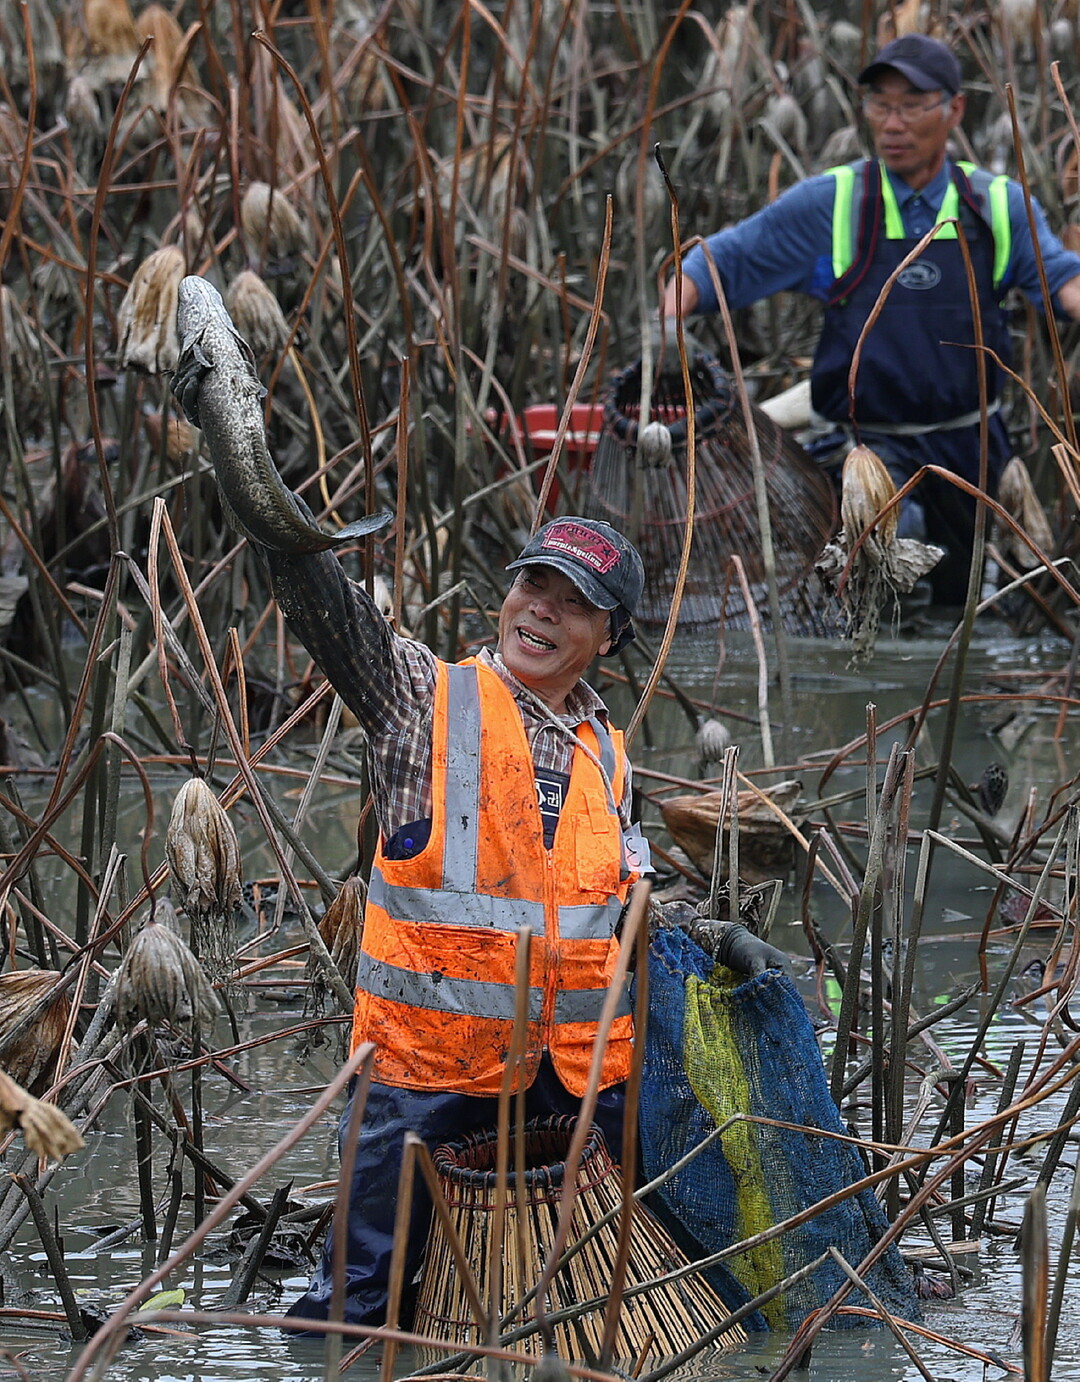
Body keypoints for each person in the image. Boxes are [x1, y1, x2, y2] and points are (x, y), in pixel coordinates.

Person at [662, 33, 1080, 603]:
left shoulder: (997, 205)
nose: (892, 122)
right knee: (878, 596)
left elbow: (1062, 281)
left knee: (962, 604)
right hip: (862, 451)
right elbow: (726, 261)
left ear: (955, 109)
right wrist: (671, 313)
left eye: (911, 105)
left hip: (969, 449)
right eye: (880, 105)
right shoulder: (835, 202)